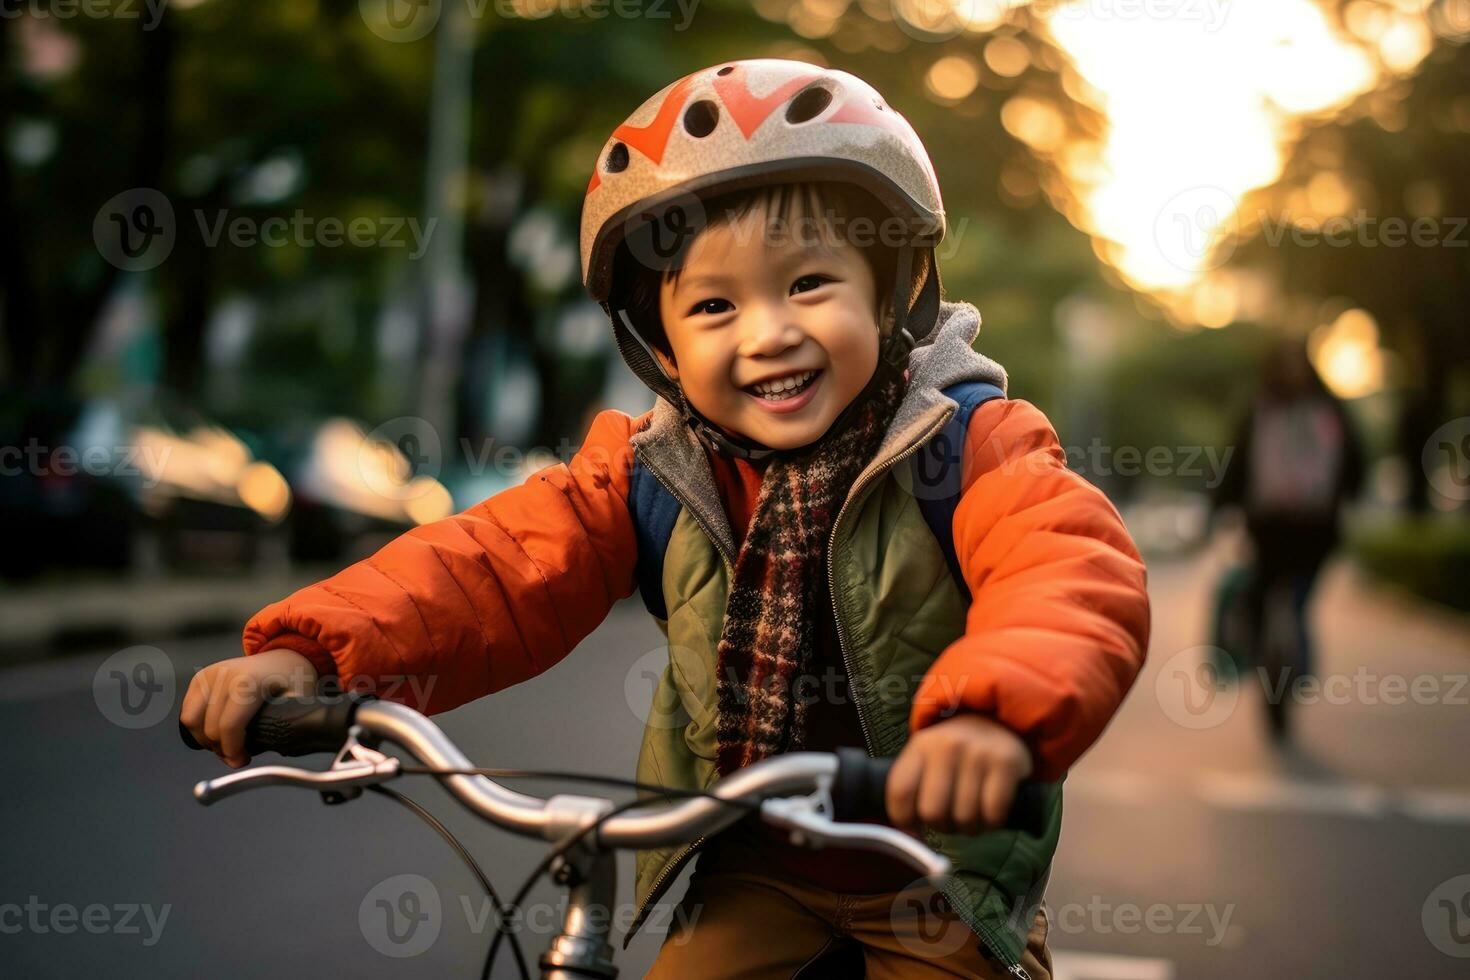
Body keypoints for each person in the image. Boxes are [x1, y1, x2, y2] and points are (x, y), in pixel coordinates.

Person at [181, 60, 1151, 978]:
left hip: (932, 868)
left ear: (892, 288)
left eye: (809, 283)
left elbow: (1066, 572)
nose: (769, 332)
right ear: (662, 345)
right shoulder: (650, 470)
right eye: (715, 305)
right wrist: (310, 652)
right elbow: (490, 564)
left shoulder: (966, 442)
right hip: (757, 863)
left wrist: (993, 719)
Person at [1211, 339, 1364, 729]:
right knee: (1264, 597)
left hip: (1314, 530)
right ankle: (1274, 664)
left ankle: (1291, 669)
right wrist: (1219, 507)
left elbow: (1355, 462)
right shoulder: (1266, 410)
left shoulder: (1320, 410)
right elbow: (1235, 462)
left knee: (1297, 602)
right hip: (1270, 528)